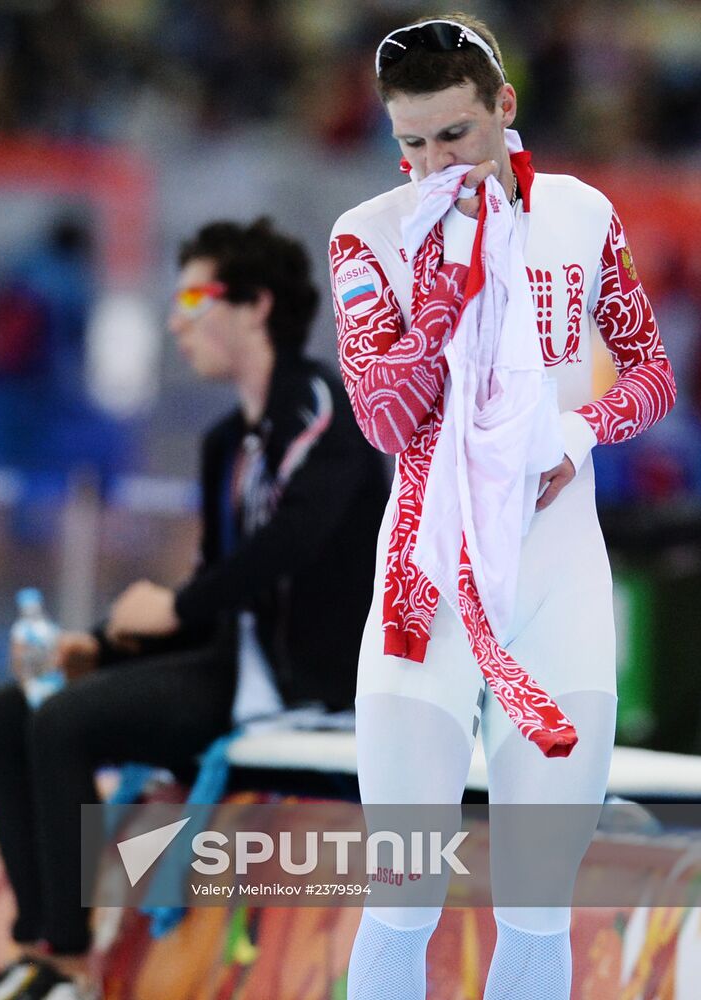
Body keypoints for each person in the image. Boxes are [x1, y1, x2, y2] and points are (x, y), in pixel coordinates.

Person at [328, 13, 675, 1000]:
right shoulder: (369, 234)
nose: (434, 160)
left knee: (533, 903)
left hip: (553, 588)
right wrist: (442, 283)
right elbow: (386, 420)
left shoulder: (580, 214)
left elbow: (649, 372)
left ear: (502, 109)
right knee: (398, 896)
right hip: (423, 596)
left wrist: (580, 430)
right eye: (411, 142)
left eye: (454, 135)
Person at [0, 218, 388, 1000]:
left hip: (306, 681)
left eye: (194, 296)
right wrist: (101, 644)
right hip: (234, 655)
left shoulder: (321, 401)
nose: (175, 319)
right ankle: (39, 942)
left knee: (64, 723)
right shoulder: (227, 440)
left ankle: (66, 961)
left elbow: (295, 540)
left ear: (256, 306)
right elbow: (218, 584)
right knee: (7, 713)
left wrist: (176, 605)